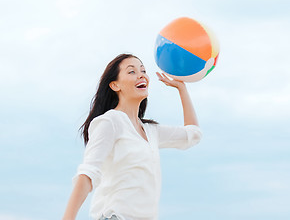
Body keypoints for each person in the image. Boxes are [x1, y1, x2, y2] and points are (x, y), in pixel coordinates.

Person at [62, 53, 202, 220]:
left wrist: (182, 88)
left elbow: (193, 134)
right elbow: (87, 173)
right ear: (115, 85)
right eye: (131, 72)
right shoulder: (110, 121)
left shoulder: (151, 131)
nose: (141, 75)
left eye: (143, 70)